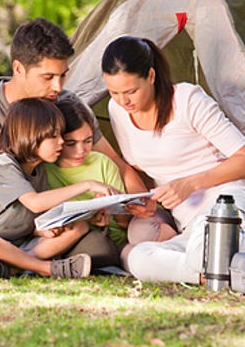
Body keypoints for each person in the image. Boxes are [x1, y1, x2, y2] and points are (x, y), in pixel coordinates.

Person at [0, 18, 149, 277]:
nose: (58, 87)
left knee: (99, 248)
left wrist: (143, 205)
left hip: (42, 228)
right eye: (48, 77)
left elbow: (116, 164)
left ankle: (10, 265)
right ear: (19, 68)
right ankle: (28, 265)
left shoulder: (67, 104)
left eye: (63, 75)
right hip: (0, 225)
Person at [101, 36, 245, 284]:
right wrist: (148, 202)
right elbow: (143, 168)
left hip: (229, 206)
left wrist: (190, 184)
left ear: (151, 76)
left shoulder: (187, 100)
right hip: (187, 228)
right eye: (113, 92)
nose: (123, 101)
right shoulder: (119, 111)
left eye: (131, 91)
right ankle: (207, 272)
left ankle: (227, 255)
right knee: (135, 256)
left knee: (205, 240)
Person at [0, 98, 118, 279]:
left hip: (19, 247)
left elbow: (26, 218)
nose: (61, 142)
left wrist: (43, 229)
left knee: (79, 226)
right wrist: (87, 184)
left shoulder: (39, 170)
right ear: (30, 135)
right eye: (53, 136)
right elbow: (35, 203)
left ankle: (13, 268)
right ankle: (46, 268)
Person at [45, 96, 177, 268]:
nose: (81, 151)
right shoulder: (47, 171)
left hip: (134, 226)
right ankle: (179, 263)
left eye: (88, 141)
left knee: (141, 232)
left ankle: (181, 244)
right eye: (71, 143)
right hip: (108, 243)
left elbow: (124, 222)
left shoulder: (101, 162)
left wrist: (112, 206)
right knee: (132, 259)